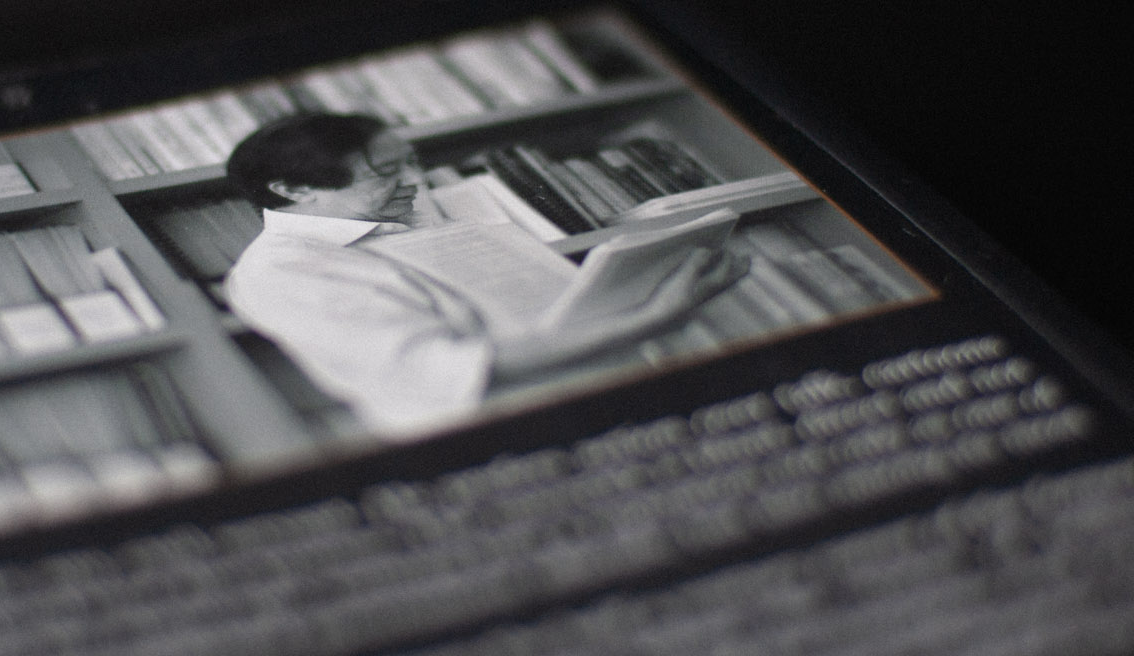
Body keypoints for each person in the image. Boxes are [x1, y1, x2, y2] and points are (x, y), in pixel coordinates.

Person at [222, 112, 744, 437]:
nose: (417, 180)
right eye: (388, 171)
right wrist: (652, 319)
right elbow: (442, 370)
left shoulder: (410, 217)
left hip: (614, 404)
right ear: (294, 190)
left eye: (412, 160)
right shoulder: (280, 271)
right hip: (512, 445)